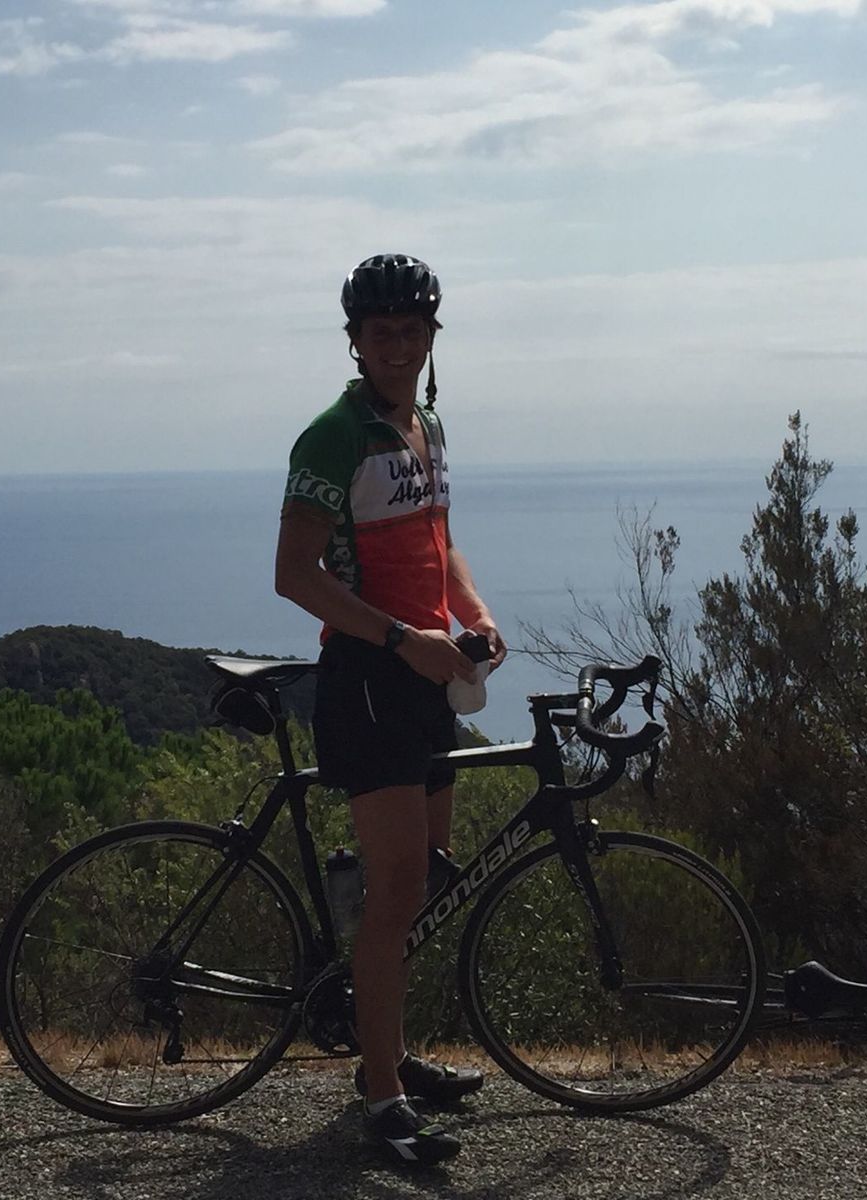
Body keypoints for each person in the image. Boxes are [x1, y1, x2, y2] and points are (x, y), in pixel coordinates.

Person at [274, 253, 506, 1166]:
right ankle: (381, 1097)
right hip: (369, 681)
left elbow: (440, 544)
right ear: (357, 341)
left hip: (423, 678)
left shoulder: (424, 426)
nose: (398, 346)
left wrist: (474, 614)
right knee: (399, 890)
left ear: (431, 336)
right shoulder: (332, 438)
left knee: (421, 882)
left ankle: (388, 1050)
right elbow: (295, 576)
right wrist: (407, 640)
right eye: (382, 333)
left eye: (412, 331)